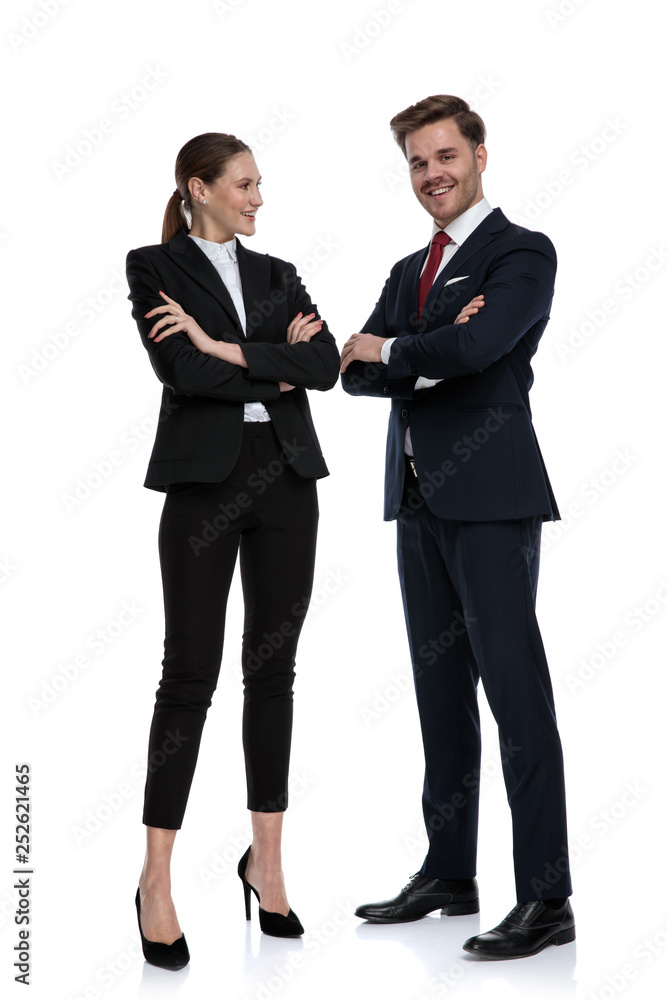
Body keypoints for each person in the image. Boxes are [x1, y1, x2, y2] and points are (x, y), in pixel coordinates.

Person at [340, 95, 574, 960]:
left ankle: (546, 897)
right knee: (439, 696)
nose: (431, 173)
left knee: (515, 696)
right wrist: (406, 353)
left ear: (479, 155)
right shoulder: (411, 270)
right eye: (415, 161)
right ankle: (449, 871)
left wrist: (398, 352)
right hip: (416, 499)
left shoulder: (520, 253)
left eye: (444, 156)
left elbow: (475, 354)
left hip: (492, 497)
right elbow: (352, 376)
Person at [126, 132, 339, 968]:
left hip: (286, 477)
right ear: (199, 188)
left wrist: (223, 348)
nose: (258, 198)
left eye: (259, 185)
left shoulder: (278, 272)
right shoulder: (154, 265)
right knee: (188, 676)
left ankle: (268, 862)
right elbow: (179, 373)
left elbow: (320, 364)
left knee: (274, 670)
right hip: (204, 484)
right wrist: (264, 363)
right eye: (245, 184)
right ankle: (154, 880)